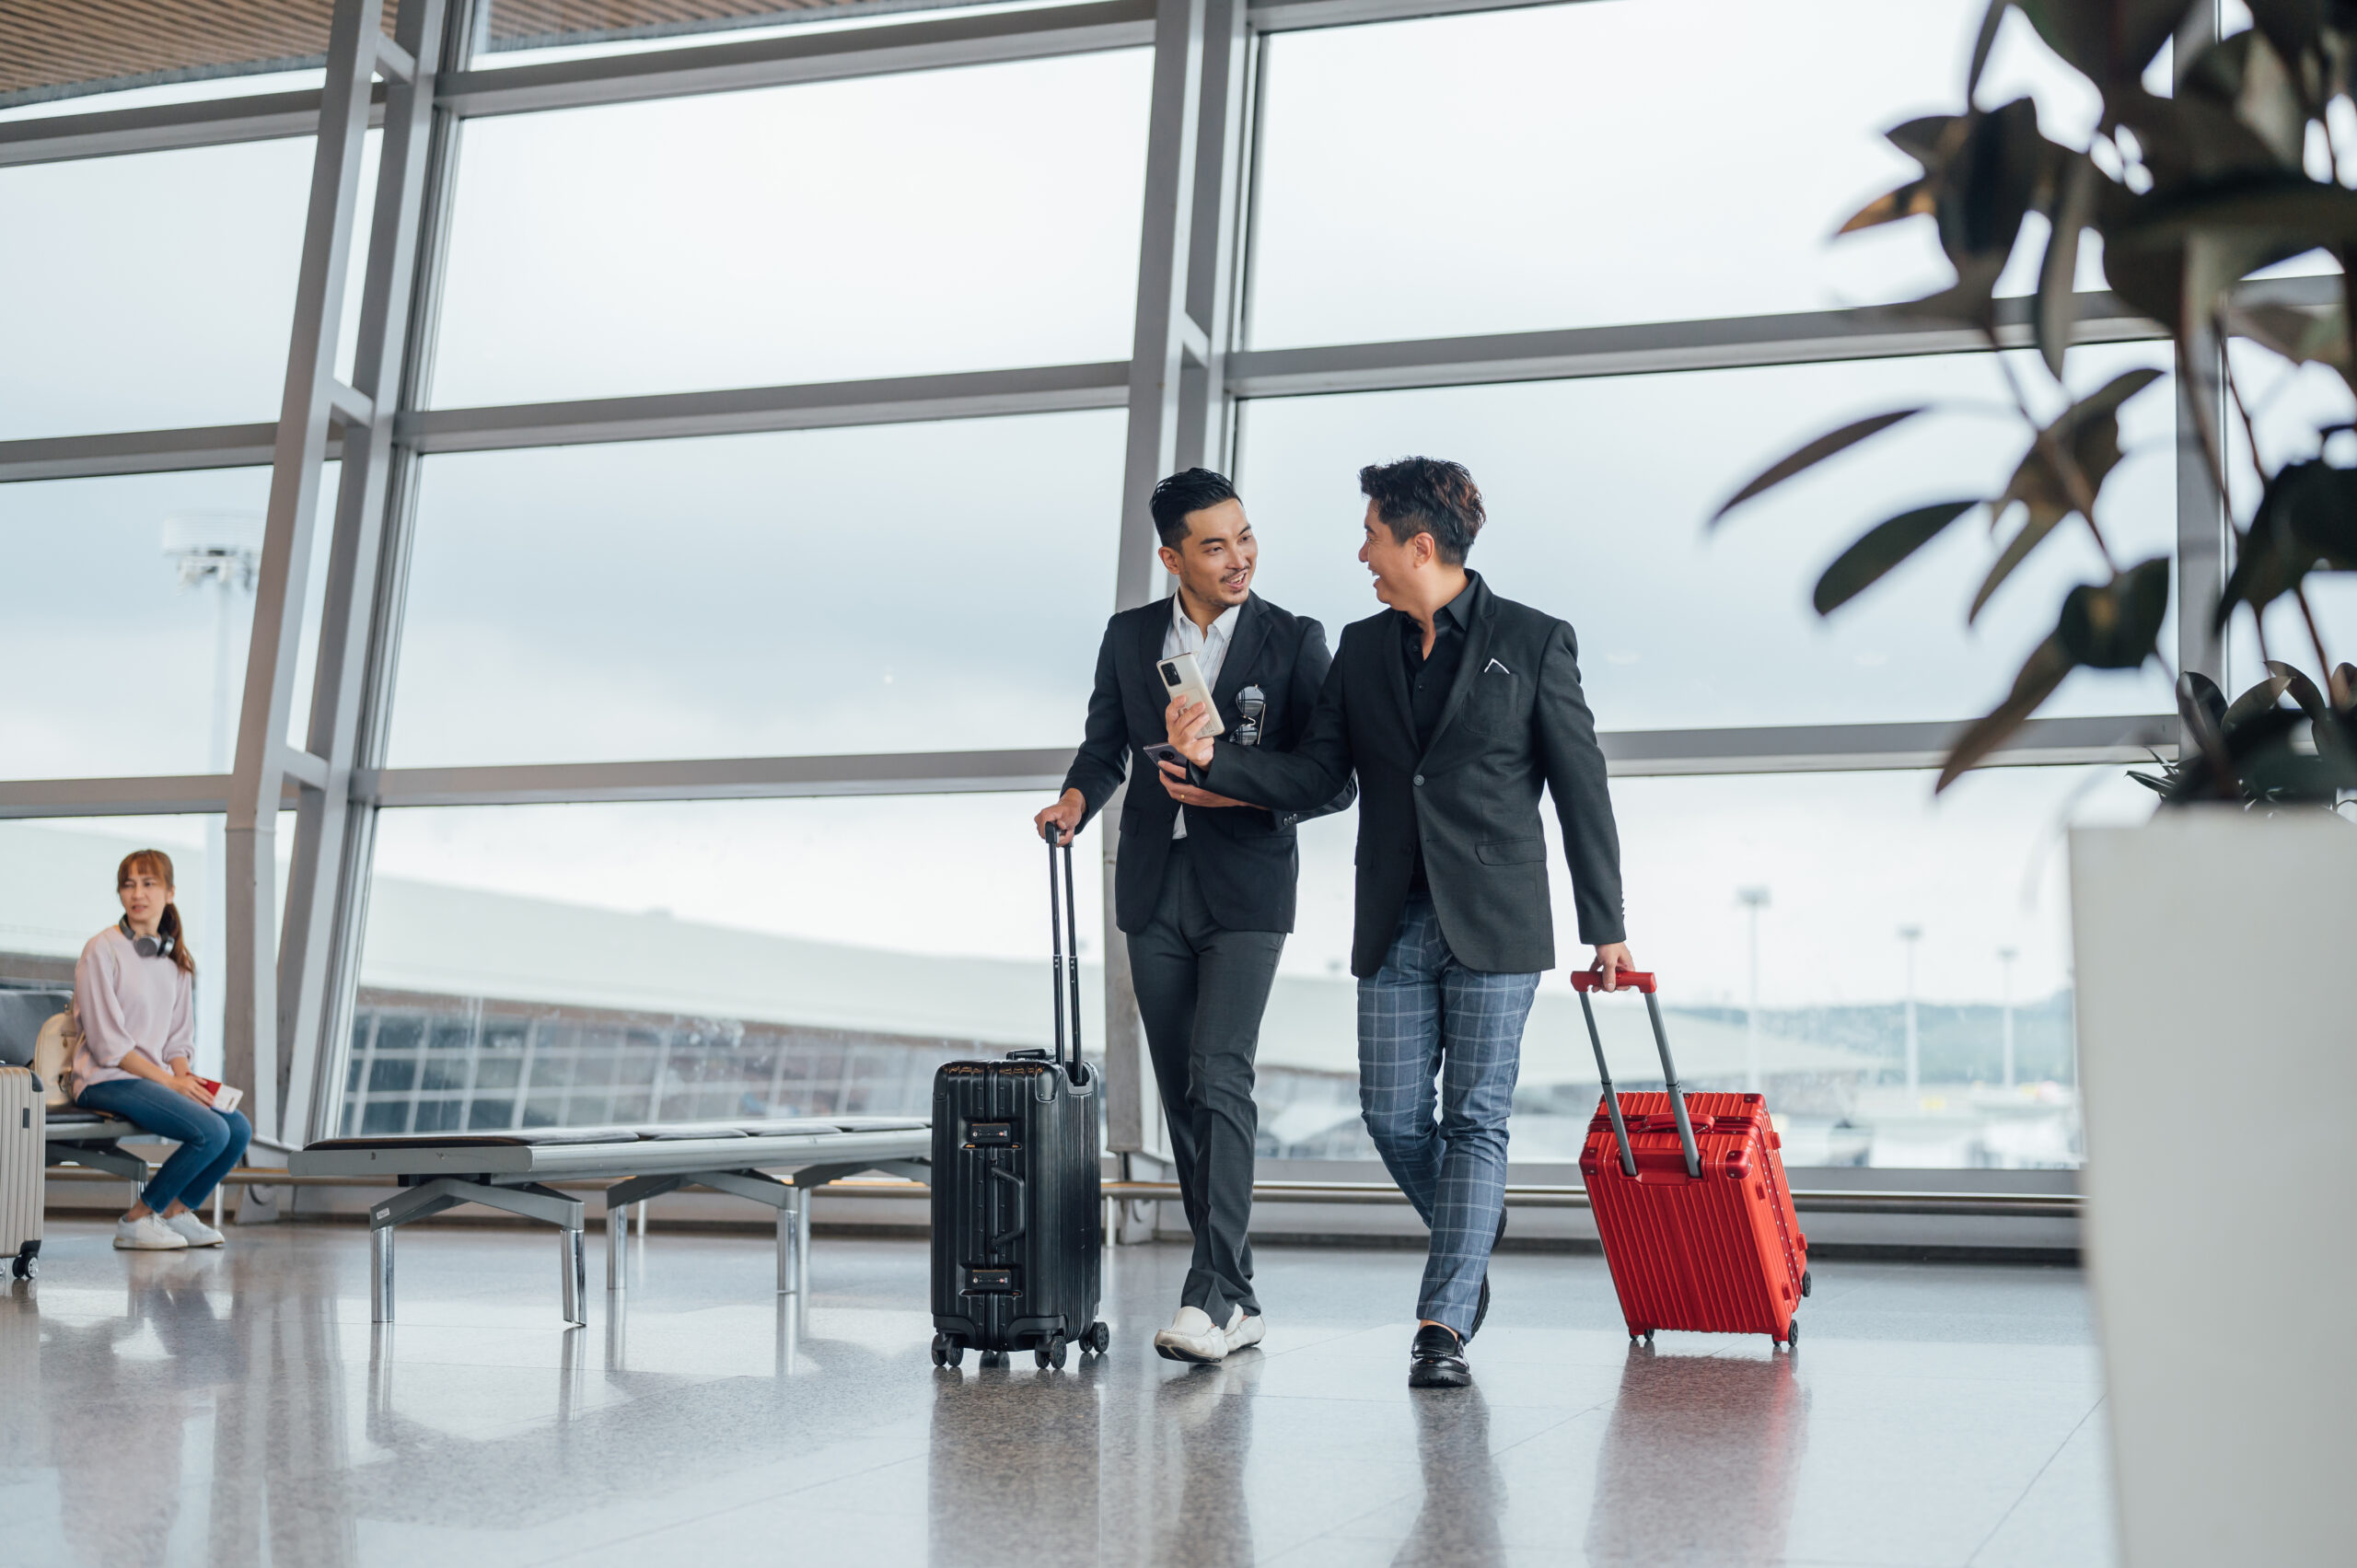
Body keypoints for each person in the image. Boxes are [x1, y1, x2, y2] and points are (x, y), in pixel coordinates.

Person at [1164, 456, 1633, 1389]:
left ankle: (1442, 1319)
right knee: (1387, 1113)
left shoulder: (1535, 640)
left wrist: (1605, 923)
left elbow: (1582, 786)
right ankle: (1472, 1228)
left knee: (1475, 1117)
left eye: (1372, 534)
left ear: (1420, 543)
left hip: (1498, 917)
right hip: (1395, 913)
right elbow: (1321, 776)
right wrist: (1216, 765)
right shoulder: (1363, 647)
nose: (1360, 552)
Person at [1036, 467, 1354, 1365]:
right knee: (1184, 1094)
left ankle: (1209, 1292)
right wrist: (1072, 802)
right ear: (1172, 554)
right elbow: (1104, 744)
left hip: (1246, 885)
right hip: (1153, 884)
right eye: (1214, 544)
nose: (1238, 557)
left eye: (1245, 536)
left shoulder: (1293, 640)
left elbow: (1330, 779)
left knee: (1221, 1074)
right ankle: (1237, 1293)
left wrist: (1222, 782)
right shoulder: (1132, 635)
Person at [68, 849, 251, 1250]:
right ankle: (136, 1220)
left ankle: (177, 1211)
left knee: (237, 1128)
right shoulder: (102, 949)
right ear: (119, 894)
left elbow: (177, 1040)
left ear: (169, 892)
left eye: (149, 883)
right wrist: (170, 1082)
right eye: (129, 884)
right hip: (104, 1078)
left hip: (150, 1077)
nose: (138, 893)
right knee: (210, 1131)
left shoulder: (176, 962)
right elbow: (107, 1045)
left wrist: (183, 1077)